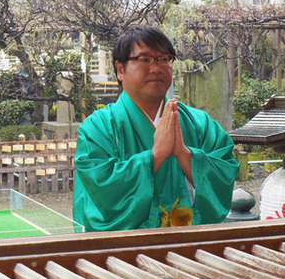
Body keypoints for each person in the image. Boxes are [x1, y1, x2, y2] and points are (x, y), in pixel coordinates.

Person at [73, 25, 239, 232]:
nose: (156, 68)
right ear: (120, 69)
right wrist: (156, 155)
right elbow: (101, 188)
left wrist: (185, 155)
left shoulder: (200, 124)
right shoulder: (98, 128)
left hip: (192, 248)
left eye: (163, 59)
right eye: (145, 59)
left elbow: (225, 173)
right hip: (124, 252)